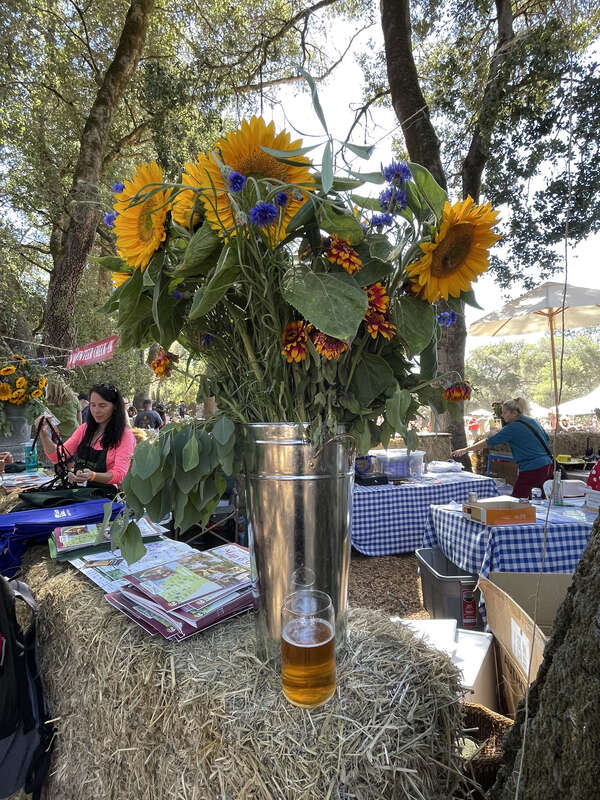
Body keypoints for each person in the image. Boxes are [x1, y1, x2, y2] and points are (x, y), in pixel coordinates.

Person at [35, 382, 135, 495]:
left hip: (104, 496)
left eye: (102, 406)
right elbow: (57, 457)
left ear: (115, 407)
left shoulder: (125, 436)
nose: (96, 411)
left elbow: (119, 475)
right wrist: (43, 433)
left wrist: (92, 476)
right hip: (79, 491)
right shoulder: (84, 429)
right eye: (93, 405)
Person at [453, 397, 554, 499]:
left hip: (532, 469)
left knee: (519, 500)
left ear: (514, 413)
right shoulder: (533, 421)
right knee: (541, 500)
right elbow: (546, 438)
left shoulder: (512, 428)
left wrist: (465, 450)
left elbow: (488, 442)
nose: (502, 415)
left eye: (505, 413)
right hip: (547, 466)